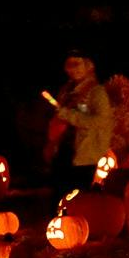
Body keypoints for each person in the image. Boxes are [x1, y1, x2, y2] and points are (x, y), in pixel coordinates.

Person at [46, 50, 115, 188]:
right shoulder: (66, 91)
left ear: (88, 65)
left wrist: (69, 115)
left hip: (86, 155)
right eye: (69, 65)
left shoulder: (97, 92)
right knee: (60, 194)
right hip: (63, 152)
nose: (73, 69)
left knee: (81, 195)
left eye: (77, 64)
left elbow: (101, 121)